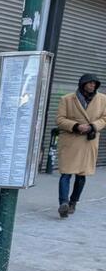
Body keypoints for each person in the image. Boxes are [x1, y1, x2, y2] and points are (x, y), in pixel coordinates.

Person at [55, 73, 104, 218]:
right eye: (90, 83)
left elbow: (104, 118)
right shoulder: (67, 99)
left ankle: (73, 202)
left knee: (81, 175)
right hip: (71, 140)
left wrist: (93, 126)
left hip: (89, 141)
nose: (92, 86)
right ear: (83, 84)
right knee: (66, 173)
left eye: (95, 84)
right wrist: (76, 126)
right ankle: (63, 203)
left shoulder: (102, 99)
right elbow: (59, 119)